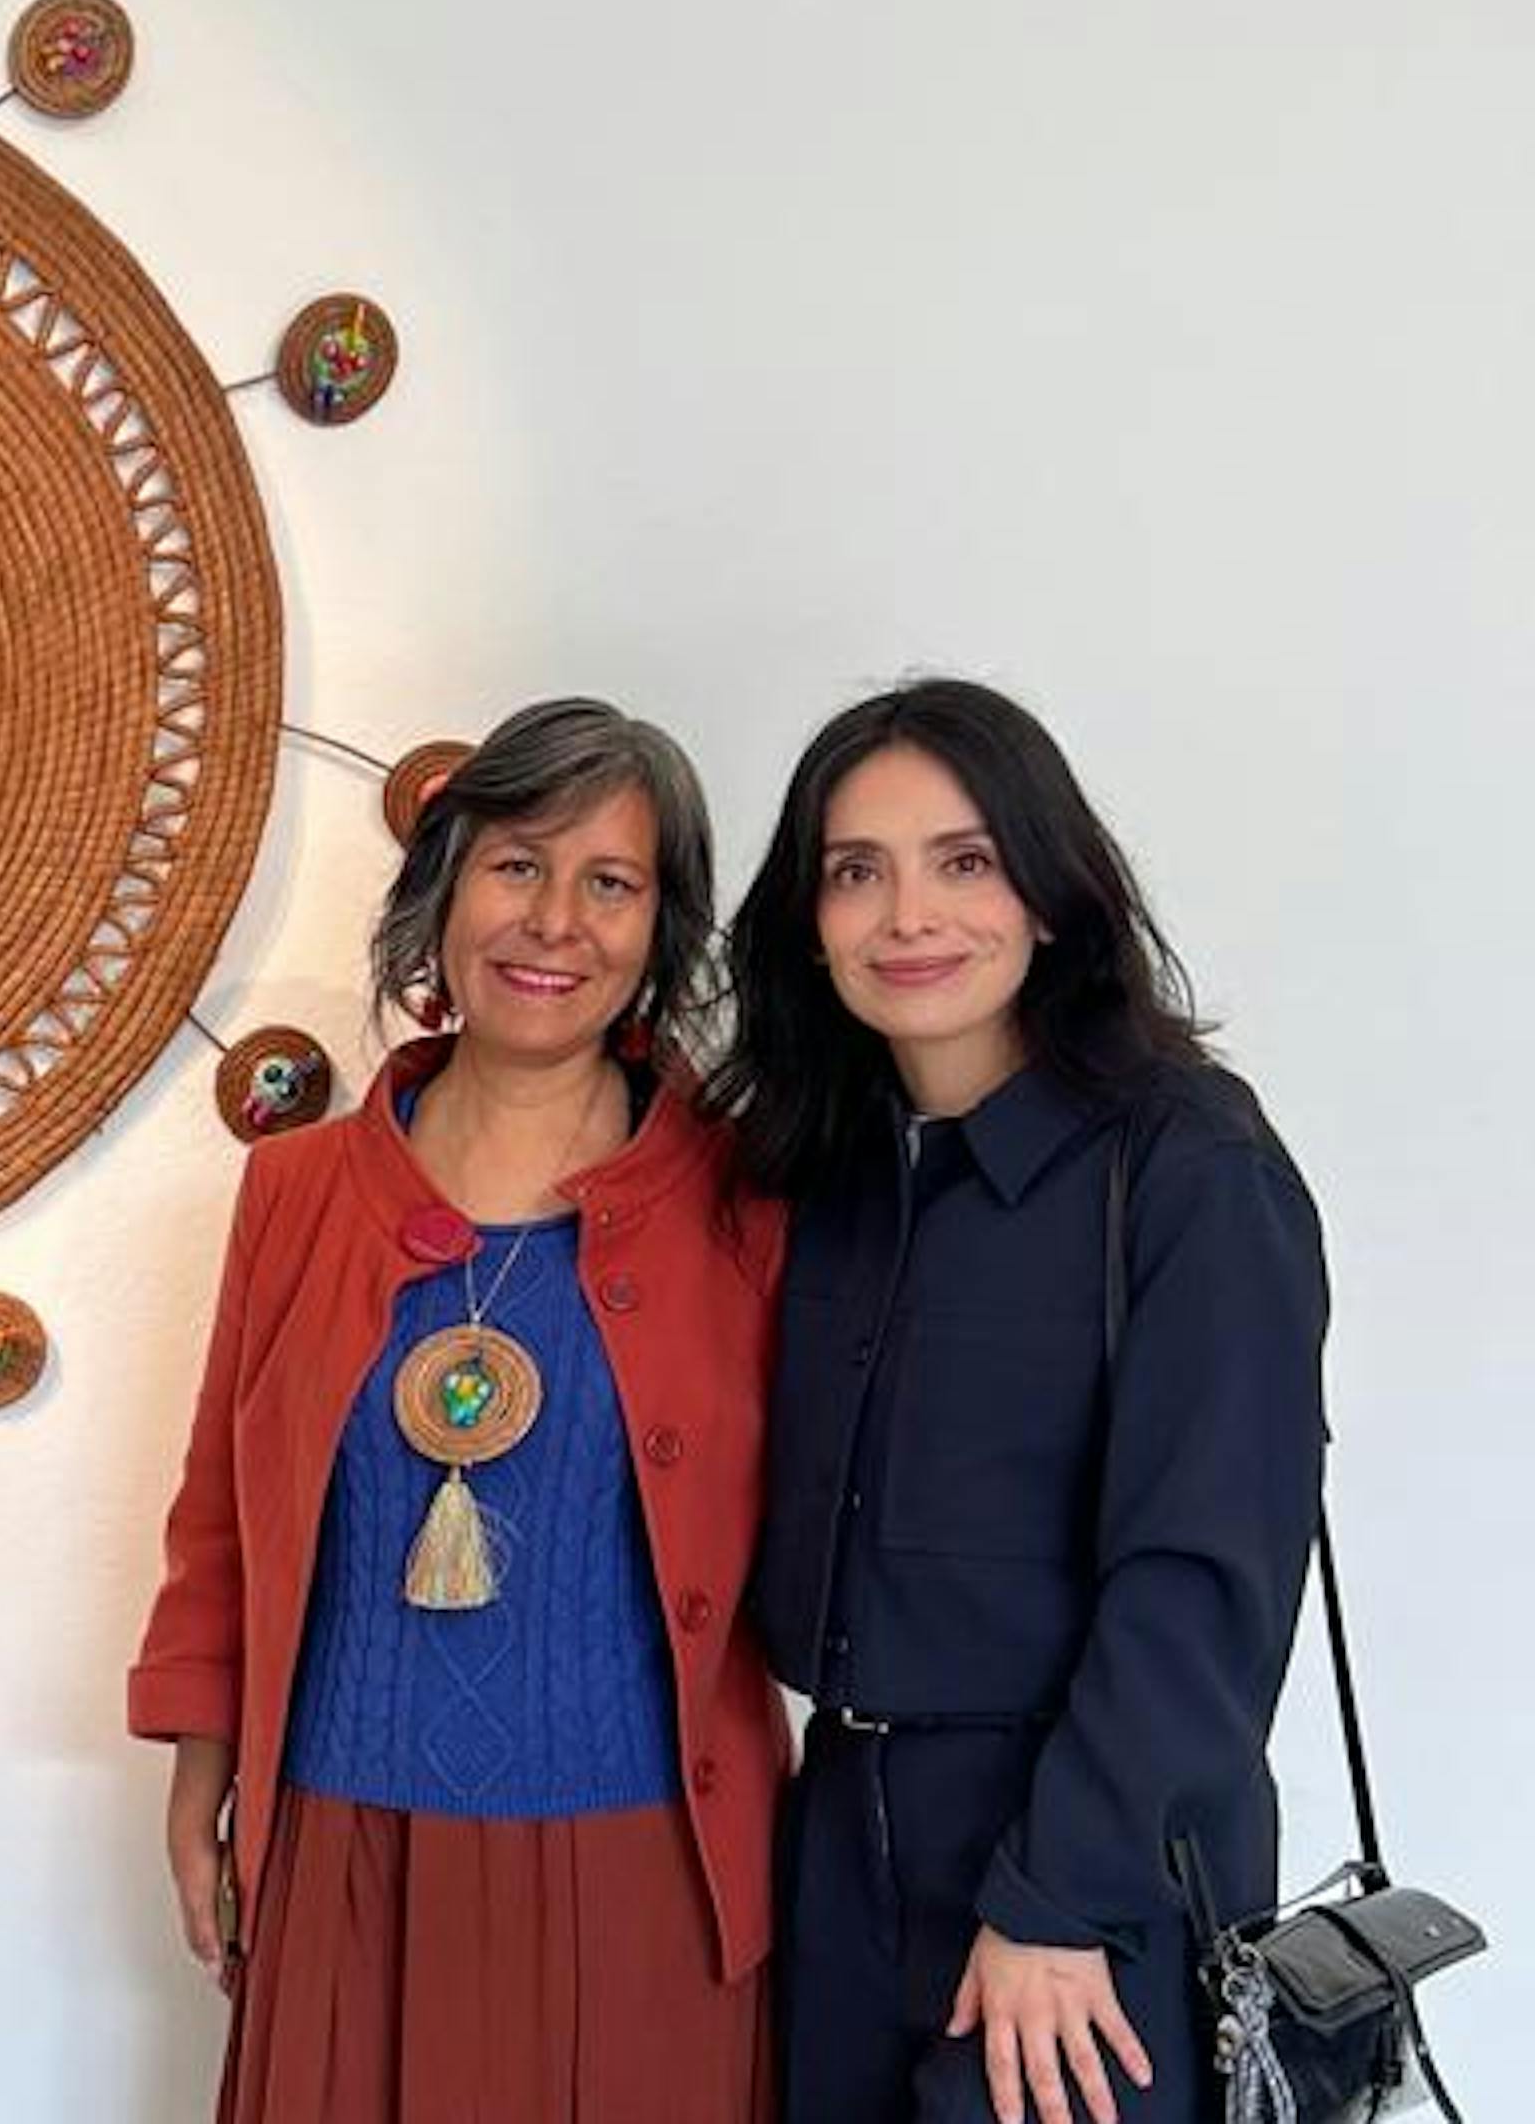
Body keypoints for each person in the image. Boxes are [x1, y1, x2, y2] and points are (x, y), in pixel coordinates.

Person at [130, 699, 788, 2122]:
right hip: (343, 1854)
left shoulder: (749, 1207)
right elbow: (221, 1514)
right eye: (517, 865)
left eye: (610, 883)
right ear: (443, 892)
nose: (555, 922)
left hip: (644, 1872)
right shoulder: (295, 1193)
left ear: (660, 933)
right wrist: (199, 1767)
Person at [709, 677, 1327, 2124]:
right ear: (810, 920)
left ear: (1049, 894)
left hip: (1085, 1869)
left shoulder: (1187, 1168)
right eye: (857, 872)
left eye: (965, 861)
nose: (908, 916)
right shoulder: (825, 1174)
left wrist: (1061, 1894)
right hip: (838, 1849)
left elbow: (1204, 1584)